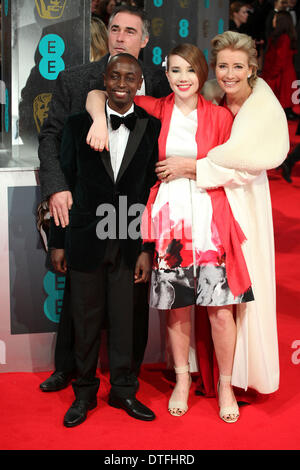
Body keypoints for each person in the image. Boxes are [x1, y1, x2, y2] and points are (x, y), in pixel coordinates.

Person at [86, 43, 256, 423]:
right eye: (175, 70)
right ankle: (181, 379)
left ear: (202, 74)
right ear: (166, 74)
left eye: (190, 71)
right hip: (170, 225)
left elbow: (236, 168)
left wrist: (190, 167)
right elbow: (99, 93)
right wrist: (98, 119)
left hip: (211, 223)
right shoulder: (155, 108)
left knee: (220, 312)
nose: (183, 78)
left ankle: (225, 385)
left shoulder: (220, 117)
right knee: (177, 310)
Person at [38, 4, 171, 393]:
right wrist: (55, 187)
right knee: (81, 299)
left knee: (130, 298)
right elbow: (52, 138)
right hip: (83, 211)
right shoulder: (76, 79)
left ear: (144, 41)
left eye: (131, 31)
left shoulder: (165, 85)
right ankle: (71, 371)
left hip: (135, 217)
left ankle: (125, 378)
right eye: (115, 28)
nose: (120, 36)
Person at [49, 53, 161, 427]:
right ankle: (83, 393)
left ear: (139, 83)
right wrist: (58, 241)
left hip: (129, 236)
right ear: (104, 78)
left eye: (130, 78)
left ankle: (124, 390)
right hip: (85, 237)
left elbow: (149, 191)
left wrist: (147, 247)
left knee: (126, 318)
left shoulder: (152, 126)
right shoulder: (78, 124)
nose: (121, 84)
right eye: (115, 76)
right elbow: (63, 187)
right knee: (85, 318)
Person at [194, 30, 289, 418]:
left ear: (252, 68)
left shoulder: (262, 106)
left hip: (246, 206)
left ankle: (233, 381)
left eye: (237, 66)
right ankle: (210, 371)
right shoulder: (215, 99)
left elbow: (245, 164)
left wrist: (194, 168)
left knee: (243, 293)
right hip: (213, 205)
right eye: (222, 66)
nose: (229, 73)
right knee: (215, 297)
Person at [262, 10, 298, 120]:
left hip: (281, 75)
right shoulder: (283, 37)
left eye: (275, 19)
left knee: (282, 101)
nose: (273, 21)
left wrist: (270, 75)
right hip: (283, 73)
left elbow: (279, 59)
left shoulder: (283, 38)